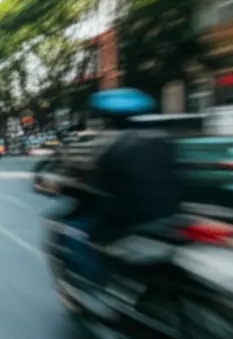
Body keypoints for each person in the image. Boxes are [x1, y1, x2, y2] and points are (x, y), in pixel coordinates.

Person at [55, 88, 181, 292]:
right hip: (169, 216)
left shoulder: (110, 145)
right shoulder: (165, 142)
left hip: (124, 221)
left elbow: (92, 183)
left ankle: (97, 287)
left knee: (72, 234)